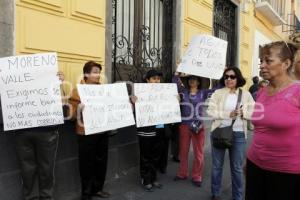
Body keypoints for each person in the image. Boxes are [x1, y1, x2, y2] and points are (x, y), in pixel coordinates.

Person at [245, 41, 300, 200]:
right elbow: (261, 129)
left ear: (286, 63)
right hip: (255, 165)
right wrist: (249, 162)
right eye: (261, 61)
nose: (262, 65)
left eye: (268, 61)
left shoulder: (297, 91)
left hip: (288, 173)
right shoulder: (262, 91)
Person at [13, 72, 66, 200]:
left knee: (45, 168)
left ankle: (44, 197)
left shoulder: (51, 82)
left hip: (42, 131)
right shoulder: (14, 82)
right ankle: (35, 197)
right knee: (29, 169)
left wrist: (60, 84)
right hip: (25, 131)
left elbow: (62, 104)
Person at [207, 67, 254, 200]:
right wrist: (228, 114)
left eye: (232, 77)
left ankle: (238, 196)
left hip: (238, 134)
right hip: (219, 132)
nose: (229, 79)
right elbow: (210, 111)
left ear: (238, 78)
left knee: (237, 168)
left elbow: (254, 112)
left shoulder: (246, 95)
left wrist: (244, 113)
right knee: (217, 166)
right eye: (226, 77)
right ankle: (215, 193)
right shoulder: (218, 93)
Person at [69, 61, 110, 200]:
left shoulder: (104, 89)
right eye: (94, 72)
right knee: (86, 164)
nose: (98, 75)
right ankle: (86, 193)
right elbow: (71, 115)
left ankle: (98, 189)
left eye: (99, 72)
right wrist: (78, 108)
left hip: (102, 131)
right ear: (86, 73)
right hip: (85, 133)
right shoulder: (77, 90)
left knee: (101, 161)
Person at [131, 69, 165, 192]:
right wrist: (133, 102)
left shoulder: (163, 92)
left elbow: (168, 108)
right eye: (154, 78)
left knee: (156, 155)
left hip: (159, 128)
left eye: (158, 79)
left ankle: (153, 177)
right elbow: (132, 111)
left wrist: (174, 100)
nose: (157, 81)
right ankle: (145, 178)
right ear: (147, 80)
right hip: (145, 130)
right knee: (146, 156)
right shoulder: (140, 93)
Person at [172, 72, 206, 187]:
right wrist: (177, 73)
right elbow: (175, 82)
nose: (192, 80)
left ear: (199, 82)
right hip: (184, 125)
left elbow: (218, 88)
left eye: (195, 79)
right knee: (183, 151)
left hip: (198, 126)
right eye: (190, 79)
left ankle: (197, 176)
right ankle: (182, 173)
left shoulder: (203, 93)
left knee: (198, 153)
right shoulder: (183, 92)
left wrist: (224, 73)